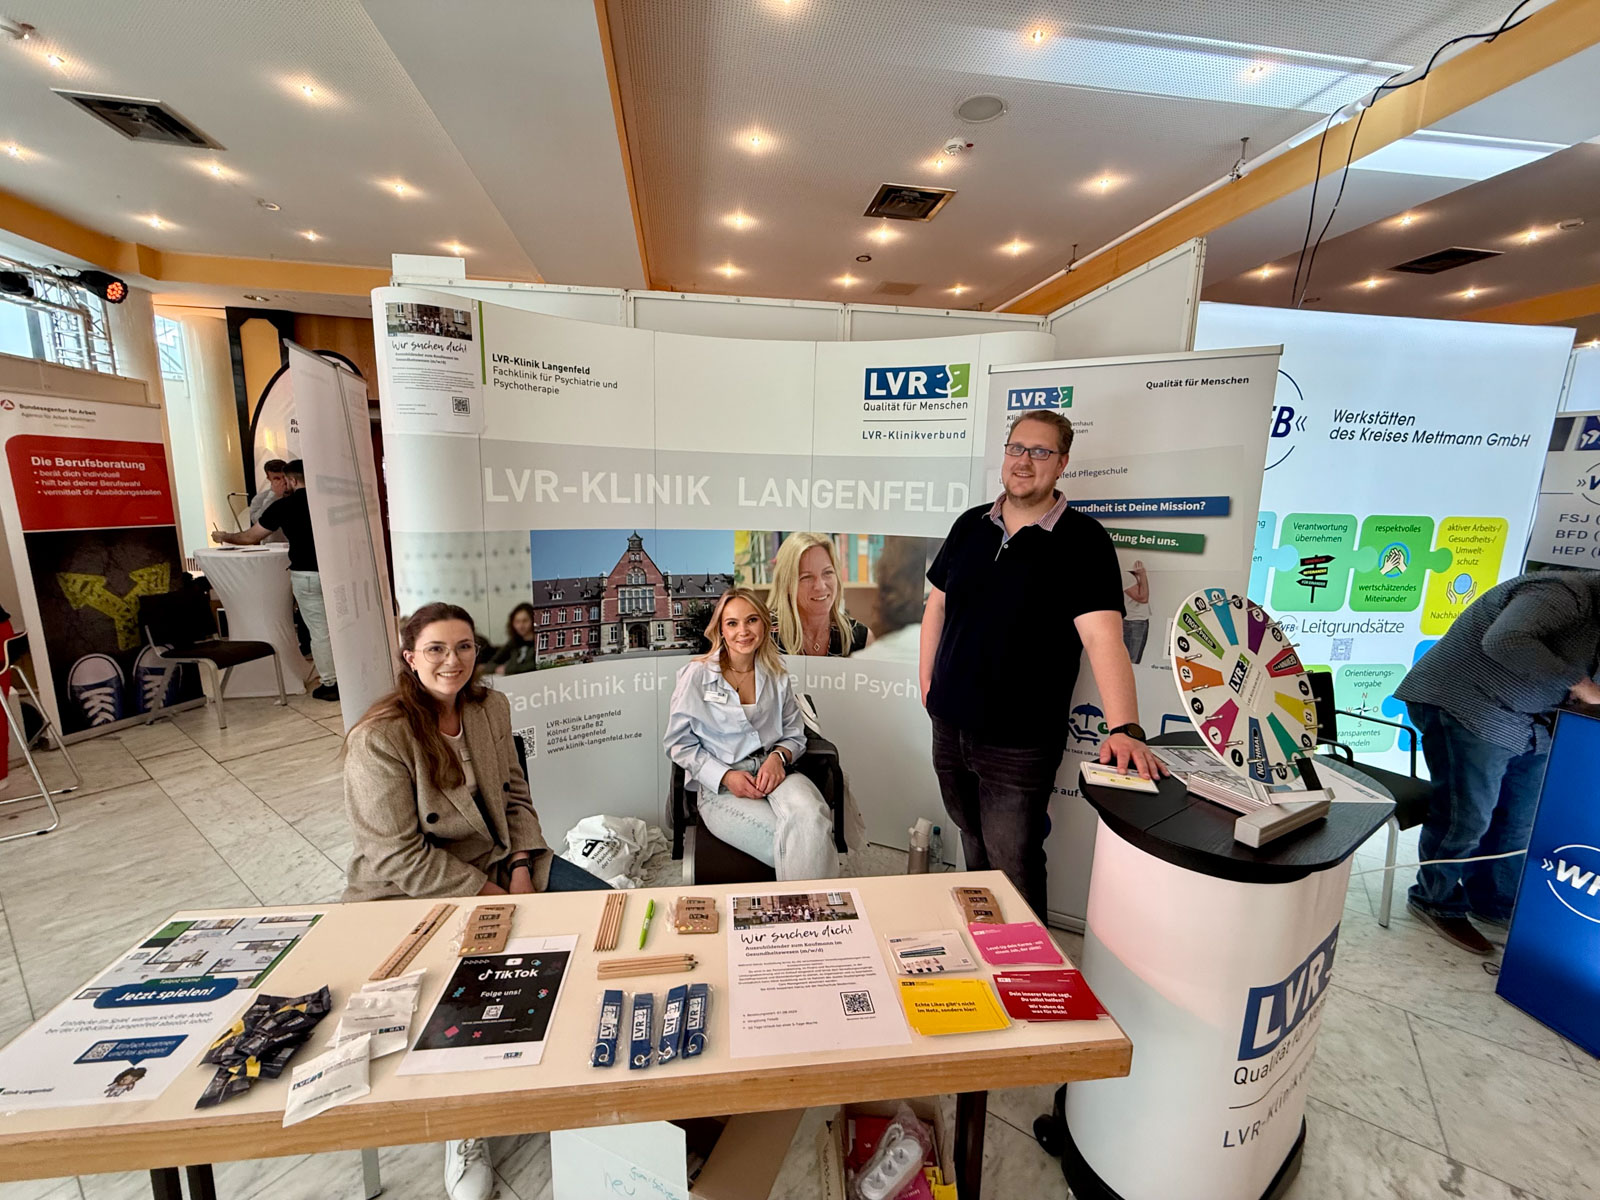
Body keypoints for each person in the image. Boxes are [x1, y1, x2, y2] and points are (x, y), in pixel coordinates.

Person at [343, 601, 609, 1200]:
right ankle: (464, 1124)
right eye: (436, 649)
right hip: (410, 889)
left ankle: (572, 1056)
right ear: (410, 658)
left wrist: (520, 869)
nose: (452, 660)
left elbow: (515, 795)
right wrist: (492, 897)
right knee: (469, 979)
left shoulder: (491, 707)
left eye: (463, 646)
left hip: (499, 860)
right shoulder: (379, 738)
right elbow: (395, 856)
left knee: (605, 916)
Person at [920, 410, 1164, 917]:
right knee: (972, 841)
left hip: (1019, 740)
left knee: (1014, 860)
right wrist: (928, 686)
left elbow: (1103, 639)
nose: (1023, 461)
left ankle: (1028, 960)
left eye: (1039, 451)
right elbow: (937, 608)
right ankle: (987, 938)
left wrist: (1125, 728)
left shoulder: (1084, 540)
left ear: (1062, 463)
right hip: (949, 725)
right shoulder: (969, 526)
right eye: (1016, 448)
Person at [1395, 569, 1600, 954]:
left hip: (1531, 718)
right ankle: (1434, 900)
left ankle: (1494, 903)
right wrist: (1580, 683)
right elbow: (1506, 639)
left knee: (1518, 820)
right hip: (1467, 704)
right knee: (1467, 816)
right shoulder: (1562, 592)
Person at [663, 587, 836, 881]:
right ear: (721, 629)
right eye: (732, 623)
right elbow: (678, 744)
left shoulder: (776, 673)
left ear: (764, 625)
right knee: (798, 842)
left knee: (812, 819)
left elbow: (794, 734)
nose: (743, 631)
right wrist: (725, 776)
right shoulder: (696, 675)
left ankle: (806, 908)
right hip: (723, 785)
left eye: (752, 620)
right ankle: (813, 908)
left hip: (776, 771)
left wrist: (778, 758)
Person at [211, 460, 336, 702]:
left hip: (306, 574)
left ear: (291, 480)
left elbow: (250, 537)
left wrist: (224, 536)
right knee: (341, 626)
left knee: (320, 631)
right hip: (336, 571)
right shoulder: (329, 501)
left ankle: (331, 682)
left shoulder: (284, 506)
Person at [768, 533, 872, 656]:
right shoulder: (764, 636)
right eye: (807, 577)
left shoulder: (862, 639)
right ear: (787, 585)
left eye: (827, 572)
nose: (820, 586)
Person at [488, 603, 539, 675]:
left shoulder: (540, 642)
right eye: (517, 622)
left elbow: (535, 666)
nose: (521, 626)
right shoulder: (513, 643)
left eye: (525, 621)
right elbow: (491, 664)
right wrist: (497, 668)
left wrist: (508, 669)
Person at [245, 459, 290, 540]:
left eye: (284, 477)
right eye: (277, 479)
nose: (283, 481)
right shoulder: (259, 499)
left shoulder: (298, 495)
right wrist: (274, 496)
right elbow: (257, 522)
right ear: (269, 478)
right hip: (273, 545)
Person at [1122, 560, 1151, 664]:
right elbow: (1142, 597)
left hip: (1132, 620)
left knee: (1128, 660)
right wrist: (1142, 574)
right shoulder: (1126, 576)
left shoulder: (1127, 574)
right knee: (1132, 662)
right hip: (1135, 621)